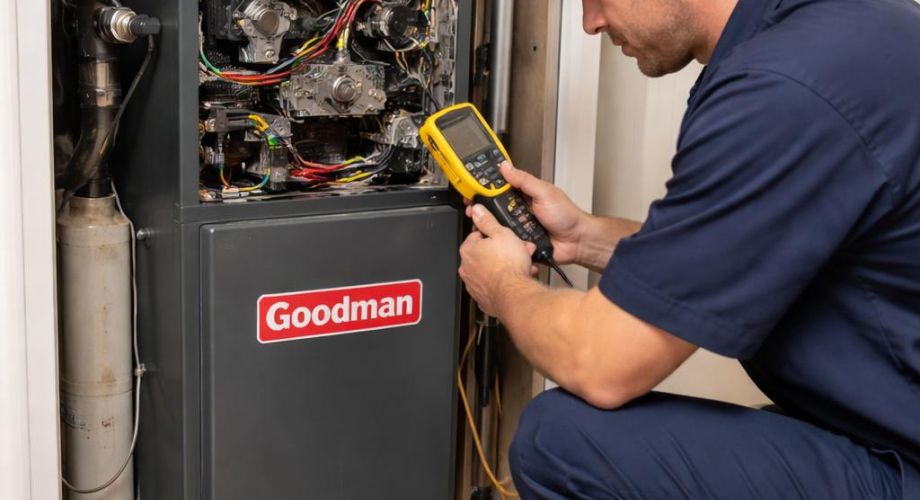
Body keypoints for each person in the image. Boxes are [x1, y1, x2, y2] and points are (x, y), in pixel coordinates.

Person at [457, 0, 920, 497]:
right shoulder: (848, 27)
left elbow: (601, 363)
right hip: (895, 417)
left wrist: (502, 284)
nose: (590, 24)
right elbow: (739, 249)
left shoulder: (782, 88)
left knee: (559, 441)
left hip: (902, 458)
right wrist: (585, 237)